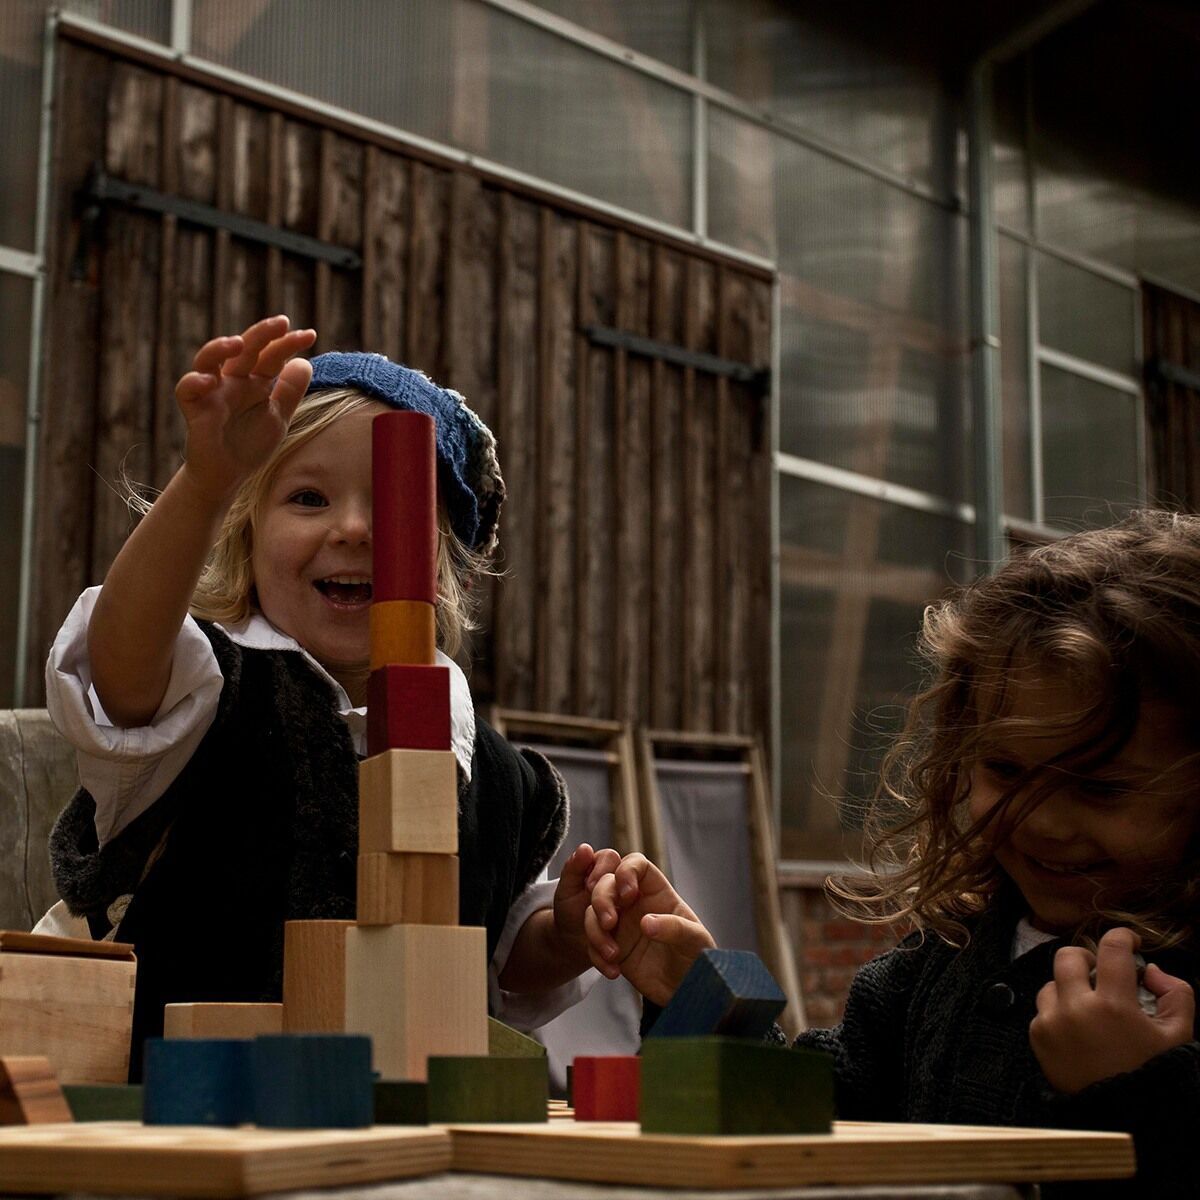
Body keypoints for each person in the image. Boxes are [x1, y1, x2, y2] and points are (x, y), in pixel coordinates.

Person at [40, 315, 614, 1077]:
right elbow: (122, 653)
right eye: (308, 498)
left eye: (394, 507)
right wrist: (207, 482)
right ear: (245, 533)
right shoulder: (202, 684)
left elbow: (498, 954)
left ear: (450, 562)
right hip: (178, 1119)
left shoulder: (492, 770)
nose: (352, 529)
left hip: (389, 1140)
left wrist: (571, 932)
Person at [586, 510, 1200, 1196]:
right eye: (1005, 770)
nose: (1046, 822)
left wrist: (1135, 1093)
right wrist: (698, 993)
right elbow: (820, 1129)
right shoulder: (936, 964)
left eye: (1100, 786)